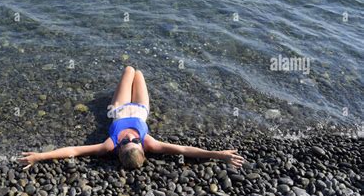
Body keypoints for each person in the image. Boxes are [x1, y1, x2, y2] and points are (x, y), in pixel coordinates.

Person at [19, 66, 244, 170]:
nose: (128, 139)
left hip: (118, 108)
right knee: (140, 74)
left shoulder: (109, 145)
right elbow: (185, 150)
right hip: (140, 108)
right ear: (142, 148)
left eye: (126, 143)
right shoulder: (150, 143)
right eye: (132, 143)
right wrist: (218, 155)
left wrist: (40, 156)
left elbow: (73, 151)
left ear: (119, 150)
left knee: (128, 70)